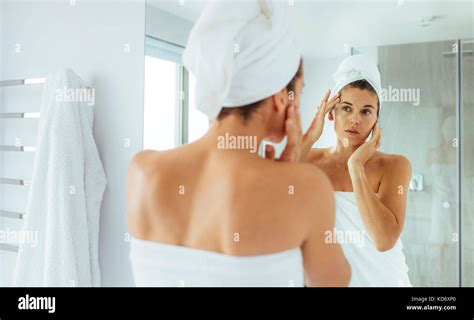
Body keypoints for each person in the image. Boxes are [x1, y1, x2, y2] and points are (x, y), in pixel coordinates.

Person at [127, 0, 350, 287]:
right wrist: (290, 178)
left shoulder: (142, 171)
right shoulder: (309, 187)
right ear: (282, 99)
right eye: (300, 92)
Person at [299, 54, 412, 287]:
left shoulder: (394, 166)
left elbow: (383, 240)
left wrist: (356, 167)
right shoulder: (308, 159)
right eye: (346, 108)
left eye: (366, 111)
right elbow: (272, 189)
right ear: (331, 113)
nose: (355, 120)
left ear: (376, 120)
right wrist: (310, 135)